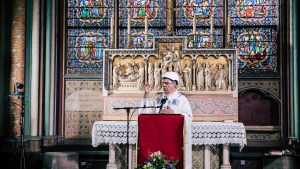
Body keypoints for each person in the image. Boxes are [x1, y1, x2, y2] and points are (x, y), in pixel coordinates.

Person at [140, 71, 193, 169]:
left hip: (174, 140)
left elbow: (189, 117)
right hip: (158, 139)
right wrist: (146, 95)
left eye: (167, 83)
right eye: (163, 83)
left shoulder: (182, 100)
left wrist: (173, 113)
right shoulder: (159, 98)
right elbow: (146, 113)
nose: (164, 85)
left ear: (175, 84)